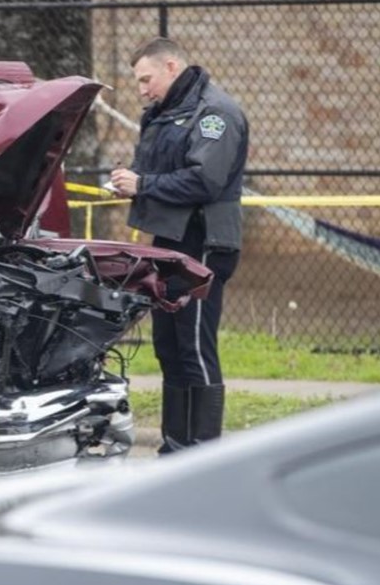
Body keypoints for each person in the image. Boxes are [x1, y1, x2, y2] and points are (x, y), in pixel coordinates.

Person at [109, 37, 249, 453]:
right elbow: (164, 167)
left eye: (146, 79)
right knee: (168, 346)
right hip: (170, 239)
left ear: (171, 67)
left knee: (194, 348)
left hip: (204, 242)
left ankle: (203, 452)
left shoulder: (214, 114)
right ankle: (175, 447)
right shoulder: (169, 112)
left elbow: (205, 180)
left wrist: (144, 184)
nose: (142, 89)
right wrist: (132, 181)